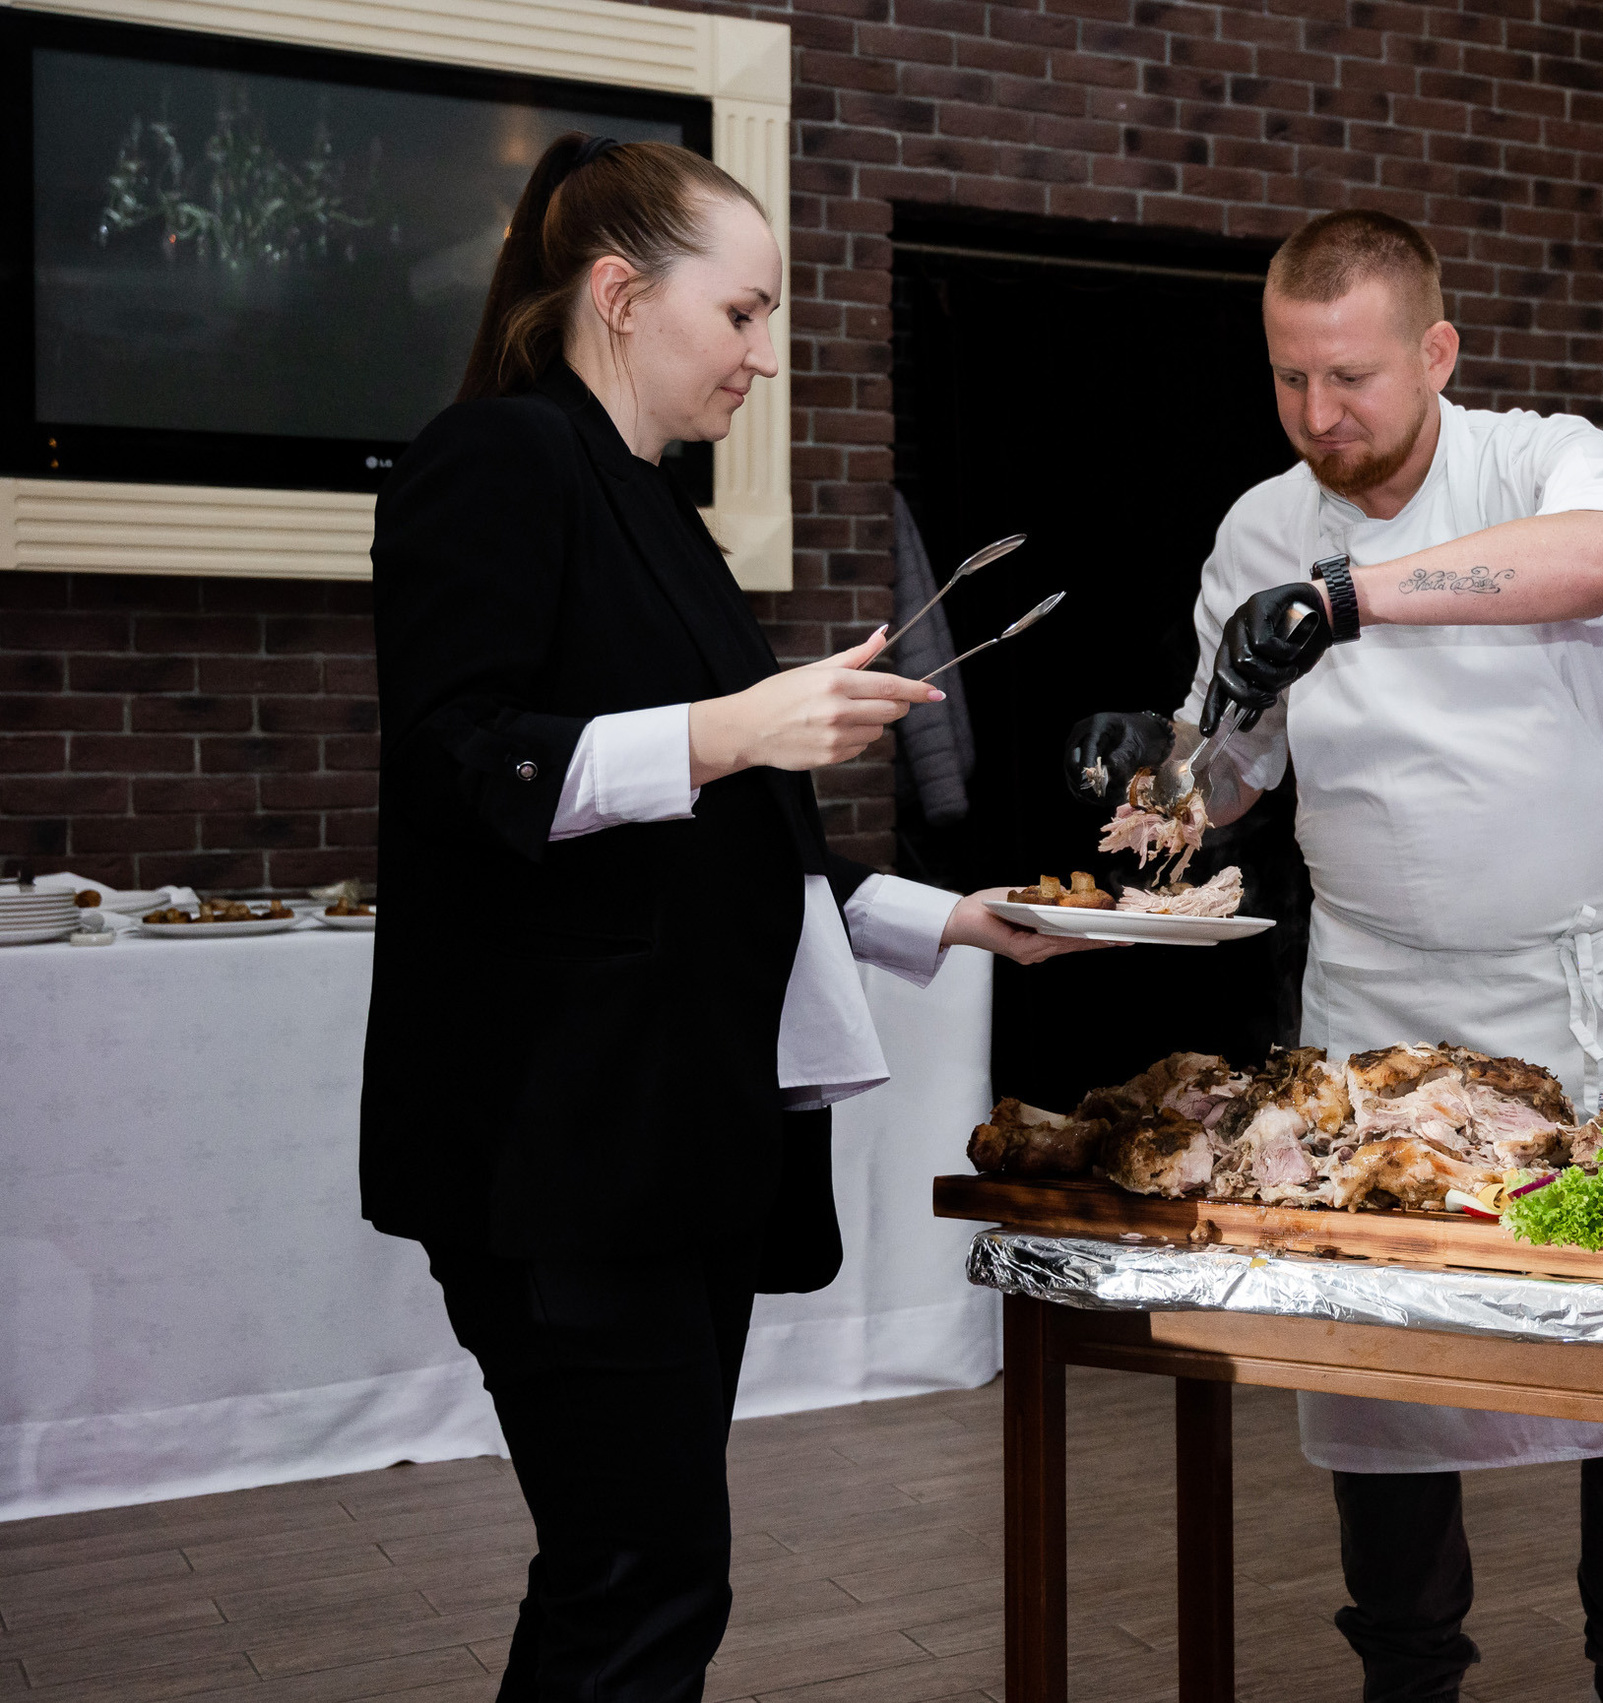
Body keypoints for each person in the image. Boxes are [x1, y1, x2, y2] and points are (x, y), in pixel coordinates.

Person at [363, 134, 1105, 1703]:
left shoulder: (657, 511)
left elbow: (723, 842)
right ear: (624, 296)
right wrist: (733, 728)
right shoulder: (497, 458)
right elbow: (458, 761)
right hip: (559, 1143)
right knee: (642, 1582)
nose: (767, 356)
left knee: (628, 1580)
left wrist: (950, 918)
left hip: (666, 1139)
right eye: (746, 314)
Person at [1066, 210, 1603, 1703]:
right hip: (1375, 1006)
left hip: (1577, 994)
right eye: (1290, 380)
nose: (1319, 417)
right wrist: (1152, 767)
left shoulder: (1538, 457)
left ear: (1436, 353)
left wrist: (1354, 598)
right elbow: (1227, 778)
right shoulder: (1257, 528)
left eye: (1349, 377)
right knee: (1383, 1378)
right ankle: (1409, 1676)